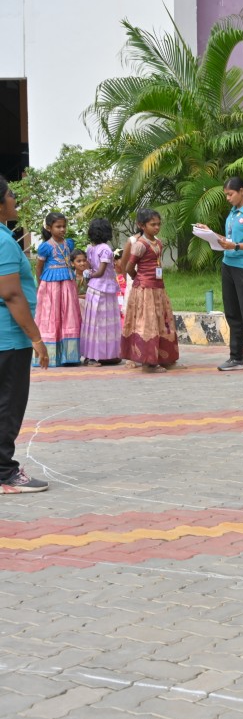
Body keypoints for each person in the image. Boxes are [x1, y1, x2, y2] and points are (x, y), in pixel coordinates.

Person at [0, 177, 50, 494]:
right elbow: (11, 294)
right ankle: (4, 471)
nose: (14, 199)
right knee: (9, 404)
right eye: (10, 195)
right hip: (9, 338)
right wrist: (36, 339)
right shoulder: (4, 241)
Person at [196, 176, 243, 375]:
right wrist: (211, 233)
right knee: (232, 314)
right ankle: (236, 358)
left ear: (241, 192)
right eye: (226, 195)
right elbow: (229, 241)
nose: (228, 198)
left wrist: (236, 246)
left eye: (230, 194)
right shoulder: (232, 213)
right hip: (228, 265)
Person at [120, 209, 179, 373]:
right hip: (145, 289)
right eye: (153, 224)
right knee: (148, 323)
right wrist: (140, 280)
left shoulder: (158, 242)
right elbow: (129, 267)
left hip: (158, 288)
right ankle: (148, 363)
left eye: (159, 224)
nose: (157, 227)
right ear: (141, 225)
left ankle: (165, 358)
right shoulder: (140, 245)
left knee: (162, 321)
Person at [33, 211, 82, 367]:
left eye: (64, 226)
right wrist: (40, 286)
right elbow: (38, 268)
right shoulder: (45, 247)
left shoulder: (69, 243)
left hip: (67, 283)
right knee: (52, 315)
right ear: (49, 228)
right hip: (51, 285)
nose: (62, 229)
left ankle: (68, 356)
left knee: (68, 314)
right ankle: (51, 356)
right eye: (58, 226)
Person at [79, 218, 123, 366]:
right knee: (107, 324)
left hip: (93, 289)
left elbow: (91, 267)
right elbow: (100, 272)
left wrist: (88, 275)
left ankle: (93, 356)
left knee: (93, 323)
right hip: (104, 289)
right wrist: (92, 274)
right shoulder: (105, 249)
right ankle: (106, 354)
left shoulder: (90, 249)